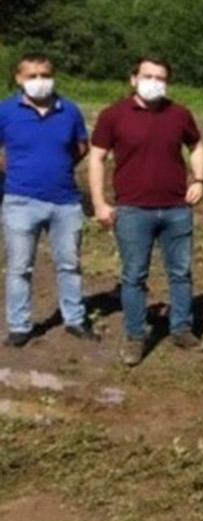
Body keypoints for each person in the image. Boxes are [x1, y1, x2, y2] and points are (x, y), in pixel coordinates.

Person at [89, 57, 203, 365]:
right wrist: (100, 202)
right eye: (148, 76)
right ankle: (135, 336)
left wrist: (200, 179)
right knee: (133, 276)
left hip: (176, 209)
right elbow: (97, 159)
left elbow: (196, 146)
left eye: (160, 77)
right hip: (132, 210)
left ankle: (181, 328)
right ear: (133, 79)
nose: (154, 82)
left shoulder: (179, 114)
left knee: (181, 273)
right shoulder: (113, 115)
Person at [0, 54, 94, 346]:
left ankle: (75, 319)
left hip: (65, 202)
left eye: (45, 74)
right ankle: (19, 325)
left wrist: (58, 167)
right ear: (19, 78)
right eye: (32, 75)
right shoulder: (5, 111)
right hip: (19, 200)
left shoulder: (70, 111)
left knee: (69, 264)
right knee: (19, 267)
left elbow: (81, 147)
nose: (39, 81)